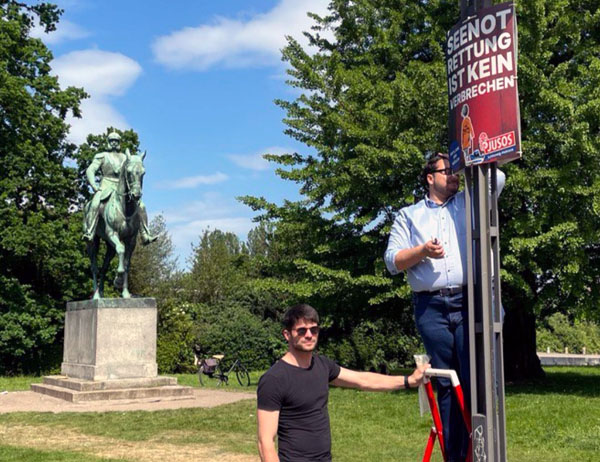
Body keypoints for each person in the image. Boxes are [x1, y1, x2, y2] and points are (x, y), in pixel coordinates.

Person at [383, 153, 505, 462]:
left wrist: (470, 159)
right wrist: (422, 251)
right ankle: (455, 456)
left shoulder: (469, 201)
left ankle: (481, 452)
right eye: (447, 170)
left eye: (455, 170)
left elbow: (498, 179)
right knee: (446, 382)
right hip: (431, 307)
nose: (453, 175)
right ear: (429, 178)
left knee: (474, 377)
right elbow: (392, 261)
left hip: (468, 301)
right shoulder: (409, 216)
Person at [257, 303, 430, 462]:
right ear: (287, 334)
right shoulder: (274, 379)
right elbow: (265, 442)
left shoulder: (322, 365)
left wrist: (409, 380)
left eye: (314, 329)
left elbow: (363, 380)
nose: (309, 335)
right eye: (301, 331)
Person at [83, 131, 156, 245]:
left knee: (141, 206)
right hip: (106, 186)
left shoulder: (125, 158)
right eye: (111, 141)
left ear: (119, 142)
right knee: (95, 203)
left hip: (121, 187)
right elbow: (90, 170)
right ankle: (90, 232)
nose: (113, 143)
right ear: (108, 142)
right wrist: (94, 185)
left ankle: (145, 234)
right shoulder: (102, 156)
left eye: (116, 141)